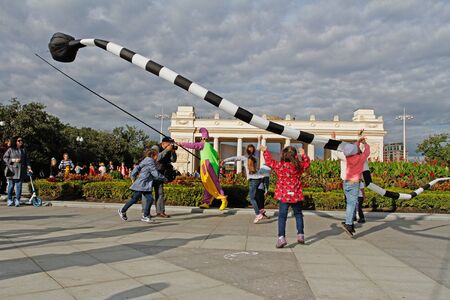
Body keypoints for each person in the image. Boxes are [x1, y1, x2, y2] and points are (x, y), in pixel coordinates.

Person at [261, 145, 310, 248]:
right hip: (295, 195)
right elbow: (307, 164)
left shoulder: (280, 166)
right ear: (295, 156)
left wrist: (265, 150)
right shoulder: (299, 166)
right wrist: (304, 155)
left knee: (282, 217)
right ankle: (300, 235)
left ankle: (281, 238)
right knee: (298, 215)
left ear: (283, 155)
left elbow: (270, 161)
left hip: (284, 195)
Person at [178, 128, 228, 210]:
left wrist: (181, 143)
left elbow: (193, 145)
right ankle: (207, 202)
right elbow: (217, 156)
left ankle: (223, 199)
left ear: (203, 139)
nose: (201, 140)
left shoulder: (203, 144)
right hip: (211, 166)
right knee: (207, 184)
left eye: (202, 138)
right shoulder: (211, 148)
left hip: (208, 166)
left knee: (213, 184)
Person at [221, 138, 267, 223]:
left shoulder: (244, 157)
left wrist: (224, 160)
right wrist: (259, 140)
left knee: (251, 198)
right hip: (260, 179)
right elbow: (258, 148)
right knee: (256, 196)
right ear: (253, 151)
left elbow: (235, 158)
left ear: (246, 151)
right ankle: (260, 210)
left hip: (253, 180)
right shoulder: (255, 156)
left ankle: (258, 214)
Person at [118, 148, 167, 223]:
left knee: (148, 199)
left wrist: (133, 176)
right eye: (157, 155)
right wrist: (164, 179)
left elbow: (137, 167)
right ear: (153, 155)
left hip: (144, 184)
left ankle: (145, 216)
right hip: (142, 184)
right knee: (136, 199)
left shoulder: (146, 160)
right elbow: (155, 173)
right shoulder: (150, 161)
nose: (157, 157)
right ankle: (123, 210)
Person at [341, 137, 370, 237]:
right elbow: (367, 152)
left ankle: (349, 222)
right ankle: (349, 224)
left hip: (346, 182)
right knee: (352, 205)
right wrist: (365, 143)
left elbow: (352, 149)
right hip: (354, 183)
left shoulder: (348, 158)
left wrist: (358, 142)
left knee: (349, 204)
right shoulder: (360, 158)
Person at [149, 137, 177, 218]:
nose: (170, 145)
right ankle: (146, 212)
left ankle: (160, 212)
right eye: (169, 143)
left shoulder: (169, 149)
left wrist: (173, 152)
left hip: (160, 173)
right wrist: (166, 150)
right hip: (151, 173)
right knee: (148, 193)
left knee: (160, 193)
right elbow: (156, 158)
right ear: (164, 143)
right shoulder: (155, 148)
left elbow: (173, 160)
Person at [3, 136, 32, 207]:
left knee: (19, 186)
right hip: (12, 171)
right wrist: (13, 160)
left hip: (20, 171)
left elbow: (27, 160)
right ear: (15, 141)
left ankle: (17, 200)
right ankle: (9, 200)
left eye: (21, 140)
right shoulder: (10, 149)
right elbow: (5, 158)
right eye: (19, 140)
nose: (21, 142)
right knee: (11, 186)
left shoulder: (23, 150)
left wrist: (29, 167)